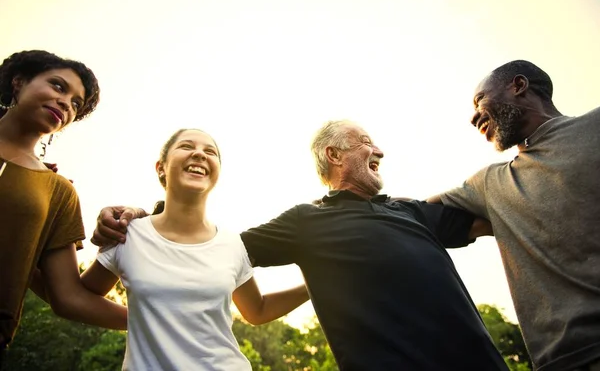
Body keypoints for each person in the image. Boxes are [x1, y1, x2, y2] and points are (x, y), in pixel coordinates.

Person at [93, 120, 509, 370]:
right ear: (334, 154)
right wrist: (142, 215)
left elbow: (499, 219)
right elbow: (210, 250)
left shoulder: (413, 211)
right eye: (365, 140)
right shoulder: (306, 221)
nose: (378, 148)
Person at [81, 128, 309, 370]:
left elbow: (257, 310)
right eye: (187, 147)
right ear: (161, 167)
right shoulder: (128, 234)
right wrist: (142, 319)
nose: (200, 154)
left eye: (210, 151)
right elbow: (77, 296)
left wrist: (313, 285)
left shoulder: (232, 244)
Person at [429, 60, 600, 371]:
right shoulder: (490, 184)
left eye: (480, 99)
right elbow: (412, 212)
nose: (473, 116)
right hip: (562, 363)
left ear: (518, 86)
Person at [0, 50, 127, 361]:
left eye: (75, 104)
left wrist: (158, 319)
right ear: (19, 82)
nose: (65, 103)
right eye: (58, 86)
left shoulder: (58, 191)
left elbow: (67, 296)